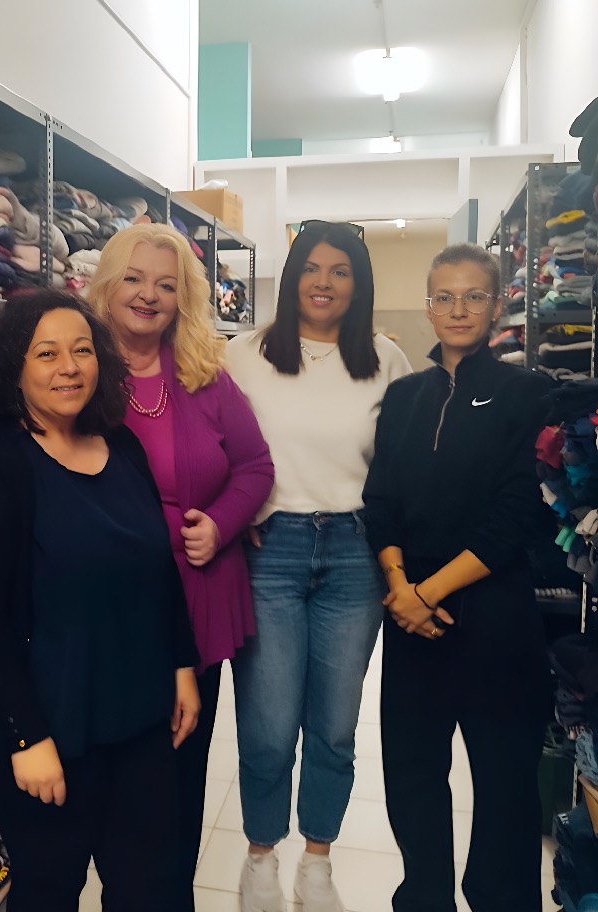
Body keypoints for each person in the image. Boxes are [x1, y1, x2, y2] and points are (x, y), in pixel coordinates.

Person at [0, 290, 201, 912]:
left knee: (151, 887)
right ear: (15, 368)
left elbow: (158, 570)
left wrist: (181, 665)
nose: (69, 368)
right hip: (45, 724)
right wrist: (26, 738)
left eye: (82, 350)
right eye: (47, 353)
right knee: (51, 889)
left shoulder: (123, 446)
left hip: (137, 716)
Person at [224, 220, 412, 912]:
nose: (323, 283)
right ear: (291, 277)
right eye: (311, 268)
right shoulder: (244, 354)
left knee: (334, 724)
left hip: (355, 555)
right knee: (269, 724)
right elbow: (214, 441)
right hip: (269, 551)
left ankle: (317, 862)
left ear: (359, 284)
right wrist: (230, 508)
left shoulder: (386, 359)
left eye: (340, 271)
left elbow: (403, 462)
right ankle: (260, 858)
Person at [88, 224, 275, 910]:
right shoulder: (80, 370)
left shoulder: (204, 374)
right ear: (108, 285)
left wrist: (221, 523)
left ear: (183, 299)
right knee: (121, 783)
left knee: (179, 777)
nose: (148, 295)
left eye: (166, 285)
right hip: (114, 609)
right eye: (134, 278)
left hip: (197, 602)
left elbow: (255, 466)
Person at [363, 243, 553, 912]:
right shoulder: (404, 397)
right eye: (444, 296)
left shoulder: (529, 393)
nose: (459, 309)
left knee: (505, 787)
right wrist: (399, 587)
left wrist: (428, 592)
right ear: (428, 307)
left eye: (474, 296)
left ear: (497, 306)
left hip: (496, 620)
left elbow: (518, 511)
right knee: (412, 778)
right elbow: (379, 500)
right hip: (412, 625)